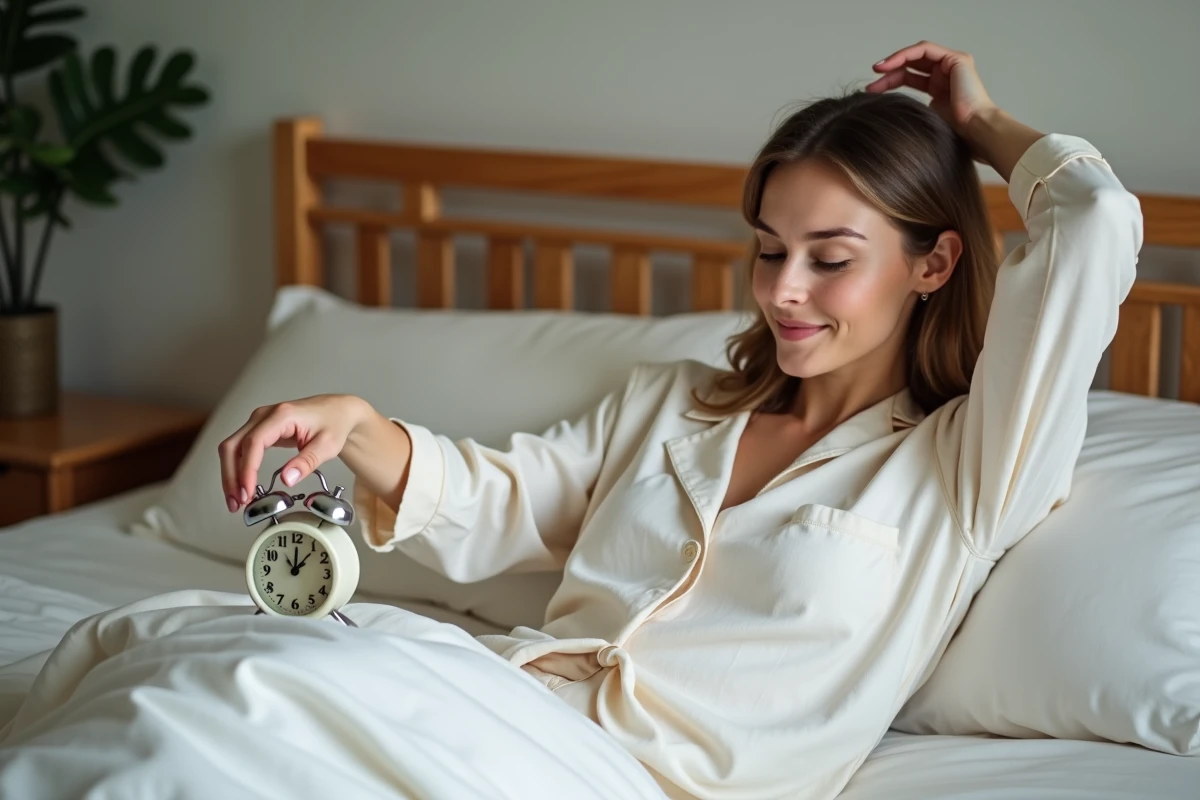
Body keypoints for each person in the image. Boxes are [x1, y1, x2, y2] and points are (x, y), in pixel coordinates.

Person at [217, 40, 1143, 800]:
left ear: (932, 265)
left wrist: (979, 125)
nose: (784, 290)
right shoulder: (675, 402)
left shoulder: (968, 468)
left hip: (643, 783)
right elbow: (508, 500)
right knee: (199, 676)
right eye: (771, 249)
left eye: (830, 260)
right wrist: (355, 422)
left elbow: (1092, 221)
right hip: (485, 710)